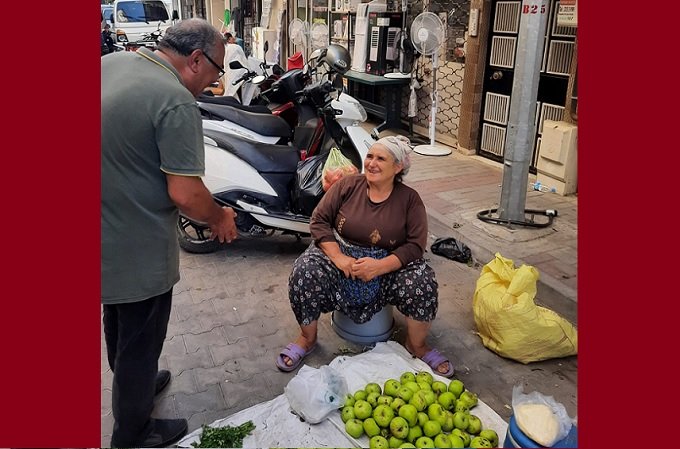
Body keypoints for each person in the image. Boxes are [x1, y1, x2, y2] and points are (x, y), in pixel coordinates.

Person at [101, 18, 238, 448]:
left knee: (119, 320)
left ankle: (132, 385)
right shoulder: (174, 100)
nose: (216, 81)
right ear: (196, 60)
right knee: (142, 336)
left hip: (102, 227)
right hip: (137, 241)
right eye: (217, 71)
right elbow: (186, 193)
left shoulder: (112, 63)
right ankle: (133, 432)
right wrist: (219, 218)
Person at [276, 136, 455, 378]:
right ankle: (307, 338)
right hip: (341, 260)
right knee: (304, 271)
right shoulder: (347, 186)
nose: (371, 163)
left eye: (381, 158)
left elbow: (415, 246)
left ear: (398, 167)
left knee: (422, 281)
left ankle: (417, 345)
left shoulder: (409, 200)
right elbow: (318, 221)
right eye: (369, 156)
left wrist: (380, 266)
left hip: (386, 267)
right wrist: (339, 257)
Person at [222, 31, 250, 100]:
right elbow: (243, 60)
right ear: (229, 39)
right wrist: (248, 68)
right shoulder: (236, 47)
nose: (234, 39)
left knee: (231, 91)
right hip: (239, 73)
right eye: (232, 38)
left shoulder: (224, 48)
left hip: (228, 73)